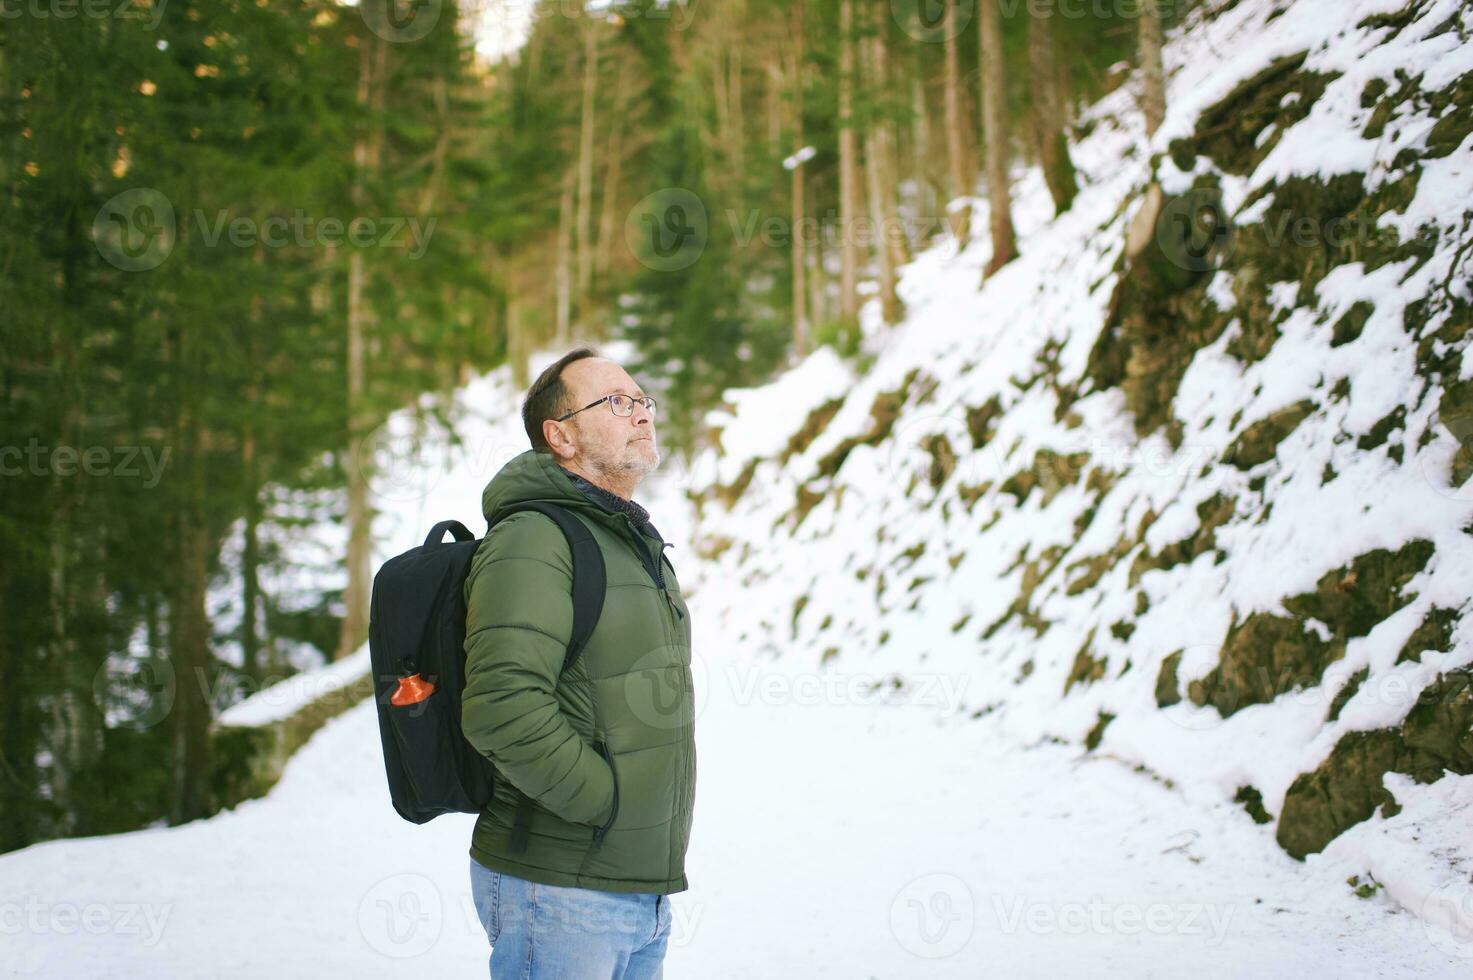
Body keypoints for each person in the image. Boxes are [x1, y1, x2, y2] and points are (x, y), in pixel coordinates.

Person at [462, 347, 696, 979]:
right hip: (560, 888)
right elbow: (502, 707)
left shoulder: (628, 539)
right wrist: (606, 806)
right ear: (559, 435)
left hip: (635, 887)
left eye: (642, 400)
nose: (641, 413)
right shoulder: (535, 537)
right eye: (616, 402)